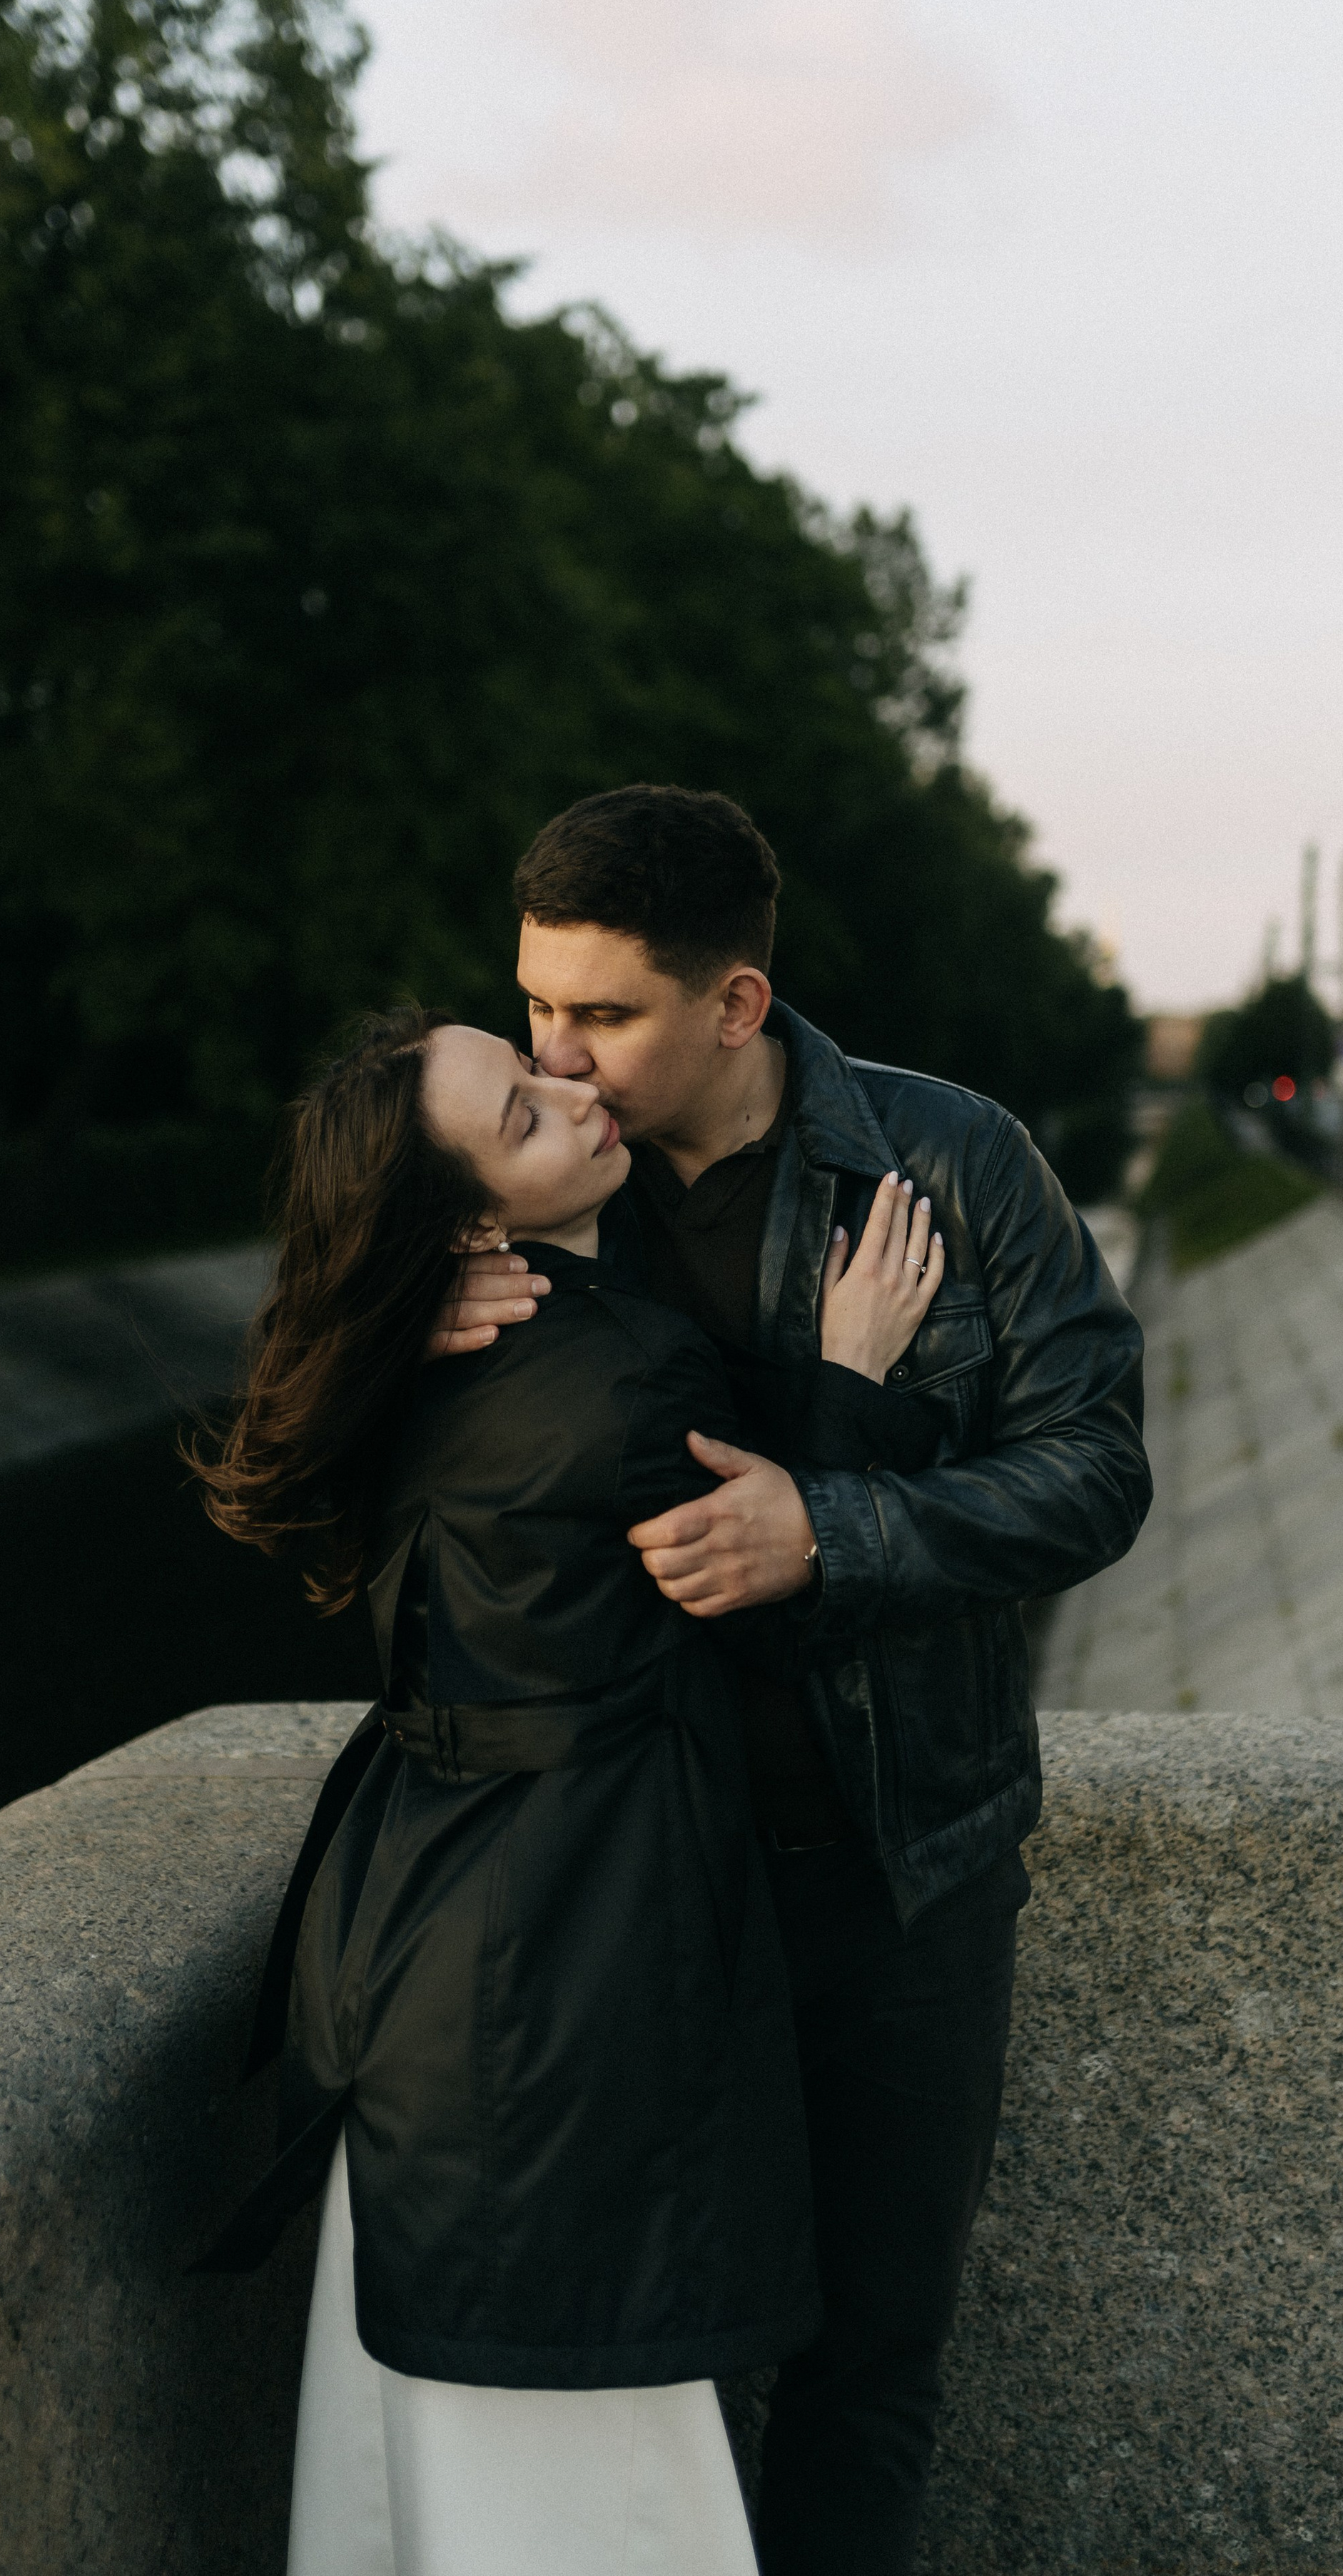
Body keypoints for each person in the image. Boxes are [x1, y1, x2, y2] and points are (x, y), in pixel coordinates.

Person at [432, 785, 1152, 2576]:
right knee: (636, 2373)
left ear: (738, 1005)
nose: (557, 1054)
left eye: (603, 1016)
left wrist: (834, 1534)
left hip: (896, 1873)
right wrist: (400, 1327)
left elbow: (1096, 1466)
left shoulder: (953, 1162)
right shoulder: (499, 1186)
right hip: (623, 1891)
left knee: (865, 2367)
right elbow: (376, 1502)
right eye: (534, 1006)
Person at [190, 1004, 951, 2576]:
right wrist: (851, 1380)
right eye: (524, 1115)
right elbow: (785, 1602)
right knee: (585, 2495)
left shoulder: (418, 1361)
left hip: (413, 1975)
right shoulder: (619, 1371)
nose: (572, 1088)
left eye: (536, 1066)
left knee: (446, 2495)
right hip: (555, 1992)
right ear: (472, 1220)